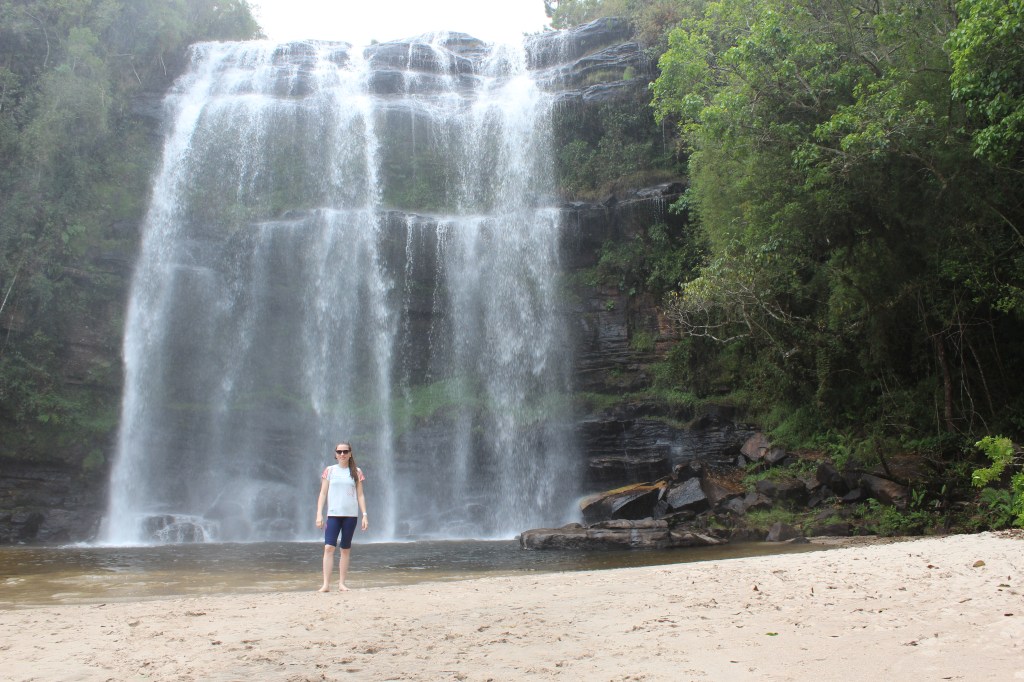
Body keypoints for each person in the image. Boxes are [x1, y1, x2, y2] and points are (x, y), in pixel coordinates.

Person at [315, 442, 368, 592]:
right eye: (339, 452)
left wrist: (364, 515)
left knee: (345, 549)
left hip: (351, 516)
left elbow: (360, 495)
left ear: (350, 453)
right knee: (328, 547)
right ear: (336, 454)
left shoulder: (356, 471)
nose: (342, 454)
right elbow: (323, 493)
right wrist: (319, 513)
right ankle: (326, 584)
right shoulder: (329, 470)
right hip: (333, 515)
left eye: (345, 451)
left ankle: (342, 583)